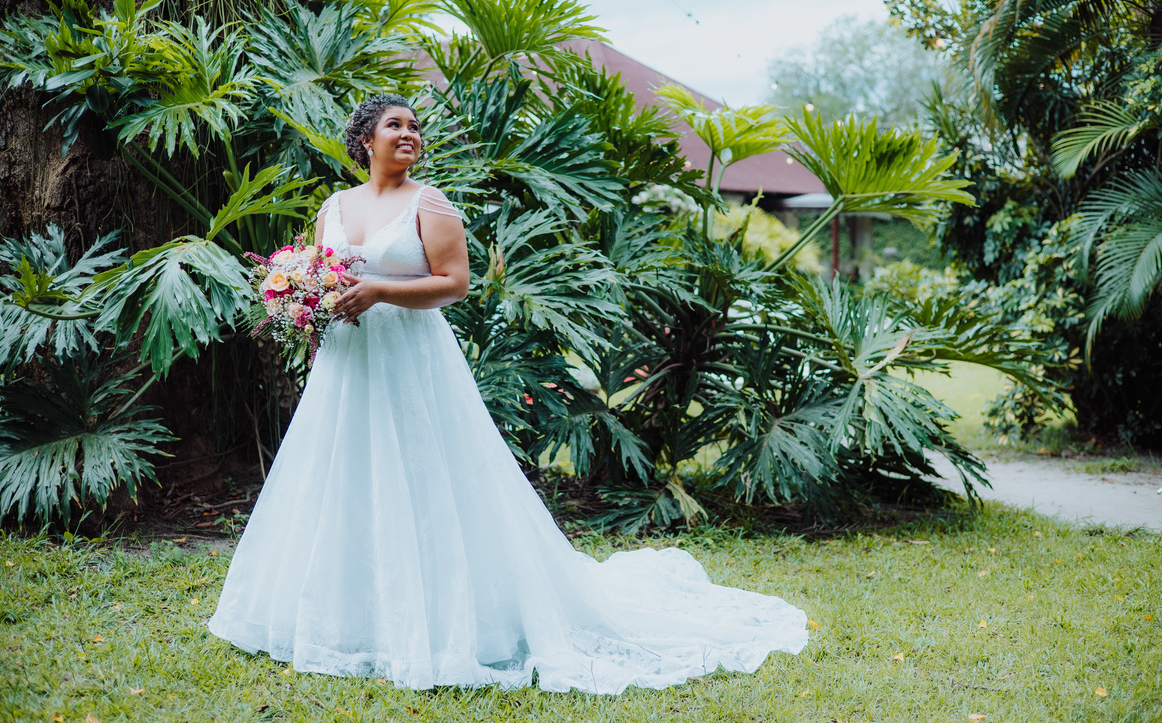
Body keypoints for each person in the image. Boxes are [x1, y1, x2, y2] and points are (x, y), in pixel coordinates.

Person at [207, 94, 810, 694]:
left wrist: (380, 291)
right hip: (348, 362)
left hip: (412, 361)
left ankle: (446, 620)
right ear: (365, 140)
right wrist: (304, 300)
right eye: (395, 125)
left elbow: (455, 284)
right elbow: (324, 273)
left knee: (424, 475)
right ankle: (347, 618)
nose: (410, 133)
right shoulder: (334, 207)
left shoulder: (430, 203)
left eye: (415, 126)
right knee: (342, 474)